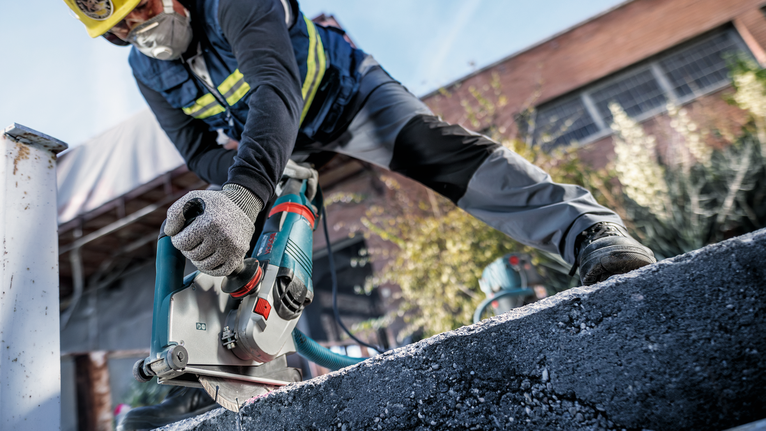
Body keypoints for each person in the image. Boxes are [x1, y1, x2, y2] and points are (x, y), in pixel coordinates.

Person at [64, 0, 657, 428]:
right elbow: (197, 151)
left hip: (345, 95)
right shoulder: (146, 69)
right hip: (275, 145)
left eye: (144, 9)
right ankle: (214, 380)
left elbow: (276, 86)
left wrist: (247, 193)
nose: (143, 31)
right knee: (221, 236)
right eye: (123, 29)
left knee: (440, 152)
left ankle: (587, 233)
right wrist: (251, 197)